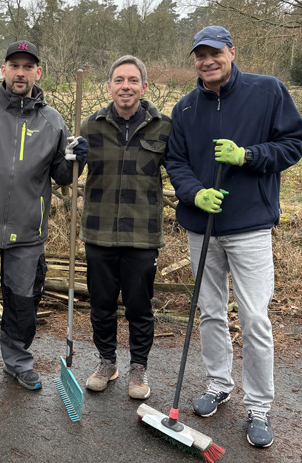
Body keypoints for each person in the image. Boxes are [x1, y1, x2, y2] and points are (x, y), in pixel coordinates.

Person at [166, 26, 302, 448]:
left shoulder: (268, 92)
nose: (207, 61)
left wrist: (248, 155)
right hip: (202, 226)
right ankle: (219, 384)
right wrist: (195, 193)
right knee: (210, 310)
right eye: (200, 55)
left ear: (231, 52)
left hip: (250, 226)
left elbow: (293, 144)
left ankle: (259, 406)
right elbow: (176, 161)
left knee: (255, 317)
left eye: (215, 53)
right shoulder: (186, 108)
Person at [0, 41, 88, 401]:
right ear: (4, 70)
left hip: (28, 232)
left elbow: (61, 176)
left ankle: (18, 361)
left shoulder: (53, 121)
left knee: (23, 303)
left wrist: (77, 160)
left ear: (38, 72)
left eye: (28, 67)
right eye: (15, 65)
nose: (21, 73)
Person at [80, 55, 172, 400]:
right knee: (101, 304)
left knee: (139, 307)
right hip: (99, 231)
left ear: (144, 86)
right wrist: (70, 157)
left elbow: (179, 169)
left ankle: (138, 367)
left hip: (142, 234)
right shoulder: (90, 126)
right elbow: (66, 174)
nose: (126, 86)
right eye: (119, 80)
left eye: (133, 80)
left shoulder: (164, 127)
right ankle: (107, 362)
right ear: (109, 86)